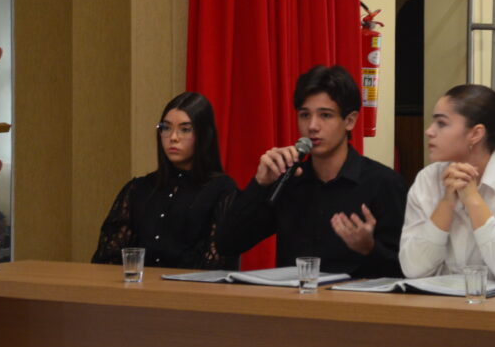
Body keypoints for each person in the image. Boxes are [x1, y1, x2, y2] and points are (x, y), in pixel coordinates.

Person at [215, 65, 407, 277]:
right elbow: (227, 244)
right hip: (294, 296)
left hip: (354, 297)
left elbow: (404, 271)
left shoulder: (383, 183)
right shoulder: (290, 180)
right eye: (305, 115)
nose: (312, 126)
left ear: (350, 121)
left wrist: (370, 248)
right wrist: (260, 184)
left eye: (325, 115)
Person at [399, 84, 495, 286]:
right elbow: (413, 269)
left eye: (441, 123)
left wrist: (472, 198)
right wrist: (446, 203)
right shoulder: (427, 179)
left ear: (476, 134)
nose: (429, 131)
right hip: (442, 302)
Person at [91, 91, 237, 270]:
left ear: (204, 135)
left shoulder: (221, 190)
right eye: (166, 128)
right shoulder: (138, 189)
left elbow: (217, 264)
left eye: (185, 129)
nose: (173, 137)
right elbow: (106, 259)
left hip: (192, 287)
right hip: (137, 286)